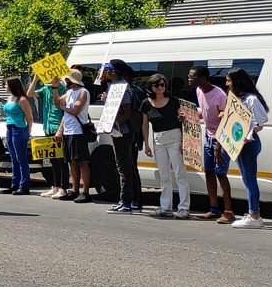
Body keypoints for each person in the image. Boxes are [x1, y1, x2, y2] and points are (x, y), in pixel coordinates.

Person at [141, 74, 189, 219]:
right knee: (164, 175)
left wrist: (183, 142)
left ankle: (184, 207)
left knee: (180, 173)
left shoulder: (173, 100)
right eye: (157, 85)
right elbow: (145, 125)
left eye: (163, 85)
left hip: (175, 136)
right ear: (151, 87)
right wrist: (146, 144)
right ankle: (165, 206)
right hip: (158, 139)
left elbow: (182, 120)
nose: (160, 88)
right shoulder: (146, 103)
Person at [189, 66, 233, 222]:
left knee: (221, 173)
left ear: (203, 78)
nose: (189, 79)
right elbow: (205, 111)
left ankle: (228, 211)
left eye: (192, 77)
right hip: (208, 136)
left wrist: (219, 145)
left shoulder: (219, 95)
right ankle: (214, 208)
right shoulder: (199, 91)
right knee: (209, 172)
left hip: (221, 138)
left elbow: (226, 120)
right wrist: (189, 115)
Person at [226, 67, 269, 229]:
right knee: (246, 178)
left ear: (237, 82)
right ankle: (253, 212)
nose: (227, 84)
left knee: (250, 178)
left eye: (229, 81)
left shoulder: (251, 99)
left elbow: (260, 122)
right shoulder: (236, 99)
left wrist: (248, 134)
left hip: (249, 144)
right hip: (240, 144)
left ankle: (254, 215)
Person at [101, 60, 139, 214]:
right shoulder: (115, 87)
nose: (107, 73)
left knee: (124, 167)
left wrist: (115, 124)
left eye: (109, 71)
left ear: (115, 72)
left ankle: (126, 202)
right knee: (123, 166)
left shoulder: (123, 88)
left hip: (122, 132)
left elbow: (127, 112)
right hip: (117, 130)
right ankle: (127, 201)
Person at [57, 68, 92, 203]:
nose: (64, 81)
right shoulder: (68, 92)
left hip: (78, 131)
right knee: (71, 161)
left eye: (66, 79)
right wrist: (55, 88)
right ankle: (75, 189)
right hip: (68, 130)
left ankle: (86, 191)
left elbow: (75, 110)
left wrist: (64, 108)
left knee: (82, 161)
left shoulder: (83, 92)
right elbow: (57, 102)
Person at [31, 75, 68, 198]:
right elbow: (29, 94)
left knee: (61, 160)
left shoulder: (64, 90)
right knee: (52, 159)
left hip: (57, 127)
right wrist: (35, 79)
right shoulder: (45, 89)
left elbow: (65, 113)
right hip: (47, 126)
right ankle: (55, 186)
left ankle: (63, 187)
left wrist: (60, 130)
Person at [3, 77, 34, 195]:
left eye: (6, 85)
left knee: (21, 158)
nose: (5, 87)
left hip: (19, 129)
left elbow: (29, 117)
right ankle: (14, 184)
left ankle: (24, 185)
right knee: (13, 158)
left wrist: (28, 130)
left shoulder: (22, 100)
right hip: (9, 128)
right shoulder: (10, 98)